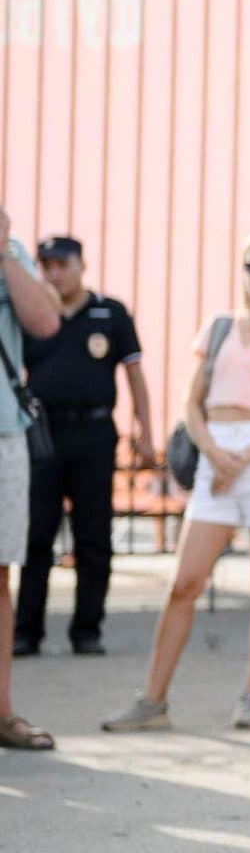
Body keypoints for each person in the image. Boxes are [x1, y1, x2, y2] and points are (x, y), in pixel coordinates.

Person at [103, 233, 250, 733]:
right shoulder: (218, 329)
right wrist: (217, 454)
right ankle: (152, 700)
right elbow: (190, 402)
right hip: (215, 449)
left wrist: (241, 459)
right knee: (184, 582)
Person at [12, 238, 154, 658]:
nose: (55, 273)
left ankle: (87, 629)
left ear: (81, 265)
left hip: (93, 434)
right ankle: (26, 631)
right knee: (36, 536)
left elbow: (135, 374)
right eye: (47, 265)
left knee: (93, 536)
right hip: (43, 436)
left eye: (62, 264)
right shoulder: (33, 313)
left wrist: (145, 433)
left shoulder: (109, 313)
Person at [0, 210, 62, 750]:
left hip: (2, 434)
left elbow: (45, 322)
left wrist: (2, 251)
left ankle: (1, 713)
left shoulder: (11, 251)